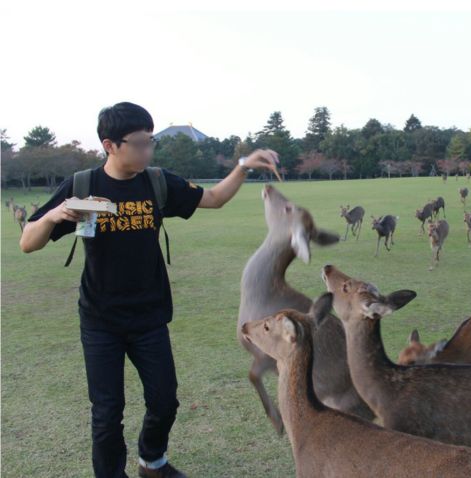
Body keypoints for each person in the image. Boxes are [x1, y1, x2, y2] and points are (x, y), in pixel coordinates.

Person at [20, 102, 279, 478]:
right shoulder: (82, 186)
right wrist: (55, 215)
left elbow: (215, 199)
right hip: (100, 320)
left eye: (151, 141)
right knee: (107, 414)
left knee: (164, 400)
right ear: (110, 145)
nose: (148, 150)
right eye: (140, 143)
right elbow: (28, 242)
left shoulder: (156, 181)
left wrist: (242, 166)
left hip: (150, 317)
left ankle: (151, 460)